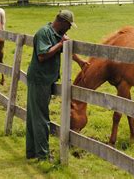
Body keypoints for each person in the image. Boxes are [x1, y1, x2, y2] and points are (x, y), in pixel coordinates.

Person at [26, 10, 87, 161]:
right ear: (62, 22)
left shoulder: (56, 34)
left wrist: (79, 61)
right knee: (41, 117)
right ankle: (43, 155)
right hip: (39, 80)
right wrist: (60, 44)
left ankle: (32, 152)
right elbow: (42, 55)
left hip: (46, 80)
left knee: (35, 115)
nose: (70, 29)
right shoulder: (44, 33)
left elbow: (64, 48)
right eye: (69, 25)